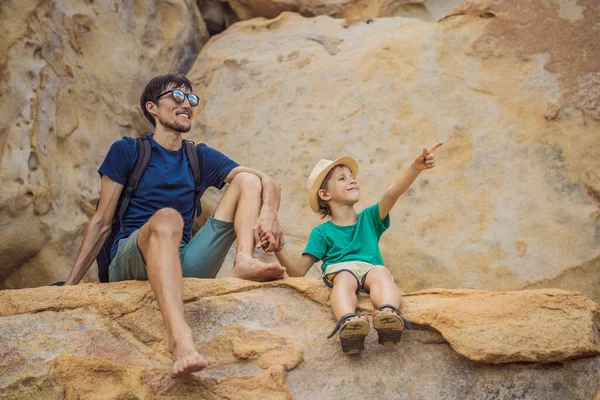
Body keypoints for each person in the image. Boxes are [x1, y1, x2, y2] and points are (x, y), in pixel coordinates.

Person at [64, 73, 286, 376]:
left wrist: (268, 213)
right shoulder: (128, 151)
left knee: (247, 179)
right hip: (132, 257)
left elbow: (265, 180)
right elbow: (102, 221)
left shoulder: (197, 155)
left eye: (191, 99)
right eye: (177, 97)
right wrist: (68, 288)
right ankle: (180, 340)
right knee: (168, 218)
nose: (187, 104)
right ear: (152, 108)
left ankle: (244, 260)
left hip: (183, 261)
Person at [262, 142, 443, 354]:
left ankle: (388, 314)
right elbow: (298, 272)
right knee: (345, 277)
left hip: (370, 269)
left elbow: (392, 194)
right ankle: (348, 322)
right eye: (342, 178)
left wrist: (416, 167)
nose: (352, 180)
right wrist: (278, 249)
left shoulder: (369, 218)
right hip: (340, 271)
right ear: (325, 195)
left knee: (380, 271)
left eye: (352, 176)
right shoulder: (322, 232)